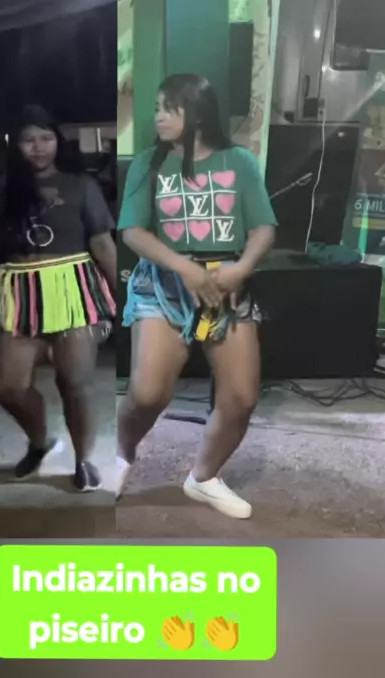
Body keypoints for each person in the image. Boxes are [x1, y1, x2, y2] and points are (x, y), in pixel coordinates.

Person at [117, 74, 277, 518]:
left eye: (170, 108)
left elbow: (263, 227)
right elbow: (132, 232)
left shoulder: (239, 161)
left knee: (241, 398)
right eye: (157, 108)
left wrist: (242, 268)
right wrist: (184, 267)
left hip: (227, 286)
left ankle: (203, 478)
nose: (159, 116)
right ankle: (121, 455)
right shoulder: (148, 163)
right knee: (147, 394)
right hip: (164, 285)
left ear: (199, 113)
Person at [0, 105, 116, 490]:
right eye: (28, 140)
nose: (39, 147)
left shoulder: (81, 186)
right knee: (7, 386)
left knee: (75, 383)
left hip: (72, 288)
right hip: (20, 292)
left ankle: (83, 460)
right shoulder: (0, 190)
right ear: (15, 145)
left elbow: (102, 243)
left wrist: (124, 295)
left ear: (57, 141)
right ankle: (41, 441)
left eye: (46, 138)